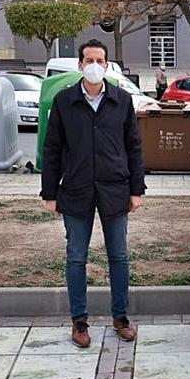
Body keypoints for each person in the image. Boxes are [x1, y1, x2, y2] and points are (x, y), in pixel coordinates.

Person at [42, 40, 145, 348]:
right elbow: (52, 150)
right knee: (76, 257)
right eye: (89, 60)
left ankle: (120, 317)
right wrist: (49, 193)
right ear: (80, 65)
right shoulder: (64, 101)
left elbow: (134, 148)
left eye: (100, 60)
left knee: (119, 256)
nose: (94, 65)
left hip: (115, 189)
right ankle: (79, 321)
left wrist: (136, 190)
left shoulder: (122, 101)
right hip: (75, 190)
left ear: (107, 64)